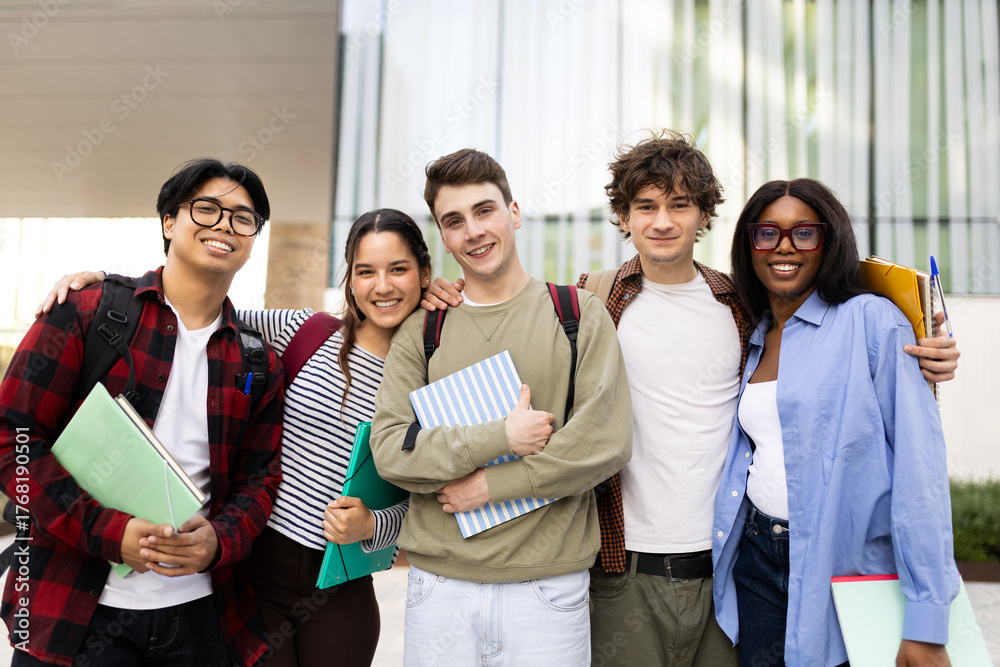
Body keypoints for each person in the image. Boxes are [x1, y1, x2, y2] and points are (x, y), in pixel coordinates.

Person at [423, 130, 960, 667]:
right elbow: (512, 317)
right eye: (646, 206)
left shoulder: (741, 305)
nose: (662, 221)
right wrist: (445, 292)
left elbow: (829, 315)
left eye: (680, 205)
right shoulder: (592, 300)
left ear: (704, 215)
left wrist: (923, 330)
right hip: (620, 568)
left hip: (726, 567)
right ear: (623, 216)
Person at [36, 208, 434, 667]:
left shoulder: (433, 376)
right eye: (366, 271)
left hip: (343, 588)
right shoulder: (302, 331)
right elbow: (186, 306)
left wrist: (372, 526)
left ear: (424, 274)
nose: (382, 286)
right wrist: (106, 284)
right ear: (350, 279)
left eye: (398, 269)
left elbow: (426, 499)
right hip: (258, 579)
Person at [0, 159, 285, 666]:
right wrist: (107, 532)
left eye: (243, 218)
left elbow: (259, 480)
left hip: (203, 619)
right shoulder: (87, 311)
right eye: (206, 209)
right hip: (71, 612)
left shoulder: (257, 359)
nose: (224, 225)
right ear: (169, 222)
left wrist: (219, 541)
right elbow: (11, 439)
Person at [369, 148, 632, 666]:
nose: (473, 231)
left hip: (548, 591)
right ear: (443, 238)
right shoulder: (424, 328)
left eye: (484, 210)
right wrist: (500, 438)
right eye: (454, 221)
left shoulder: (576, 314)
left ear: (513, 213)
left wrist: (492, 486)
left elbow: (606, 442)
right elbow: (391, 453)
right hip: (439, 589)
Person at [712, 178, 959, 667]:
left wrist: (927, 619)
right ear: (749, 246)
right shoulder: (756, 334)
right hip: (757, 564)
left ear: (830, 242)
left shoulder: (873, 322)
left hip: (848, 570)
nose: (784, 246)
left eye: (804, 233)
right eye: (767, 233)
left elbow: (920, 471)